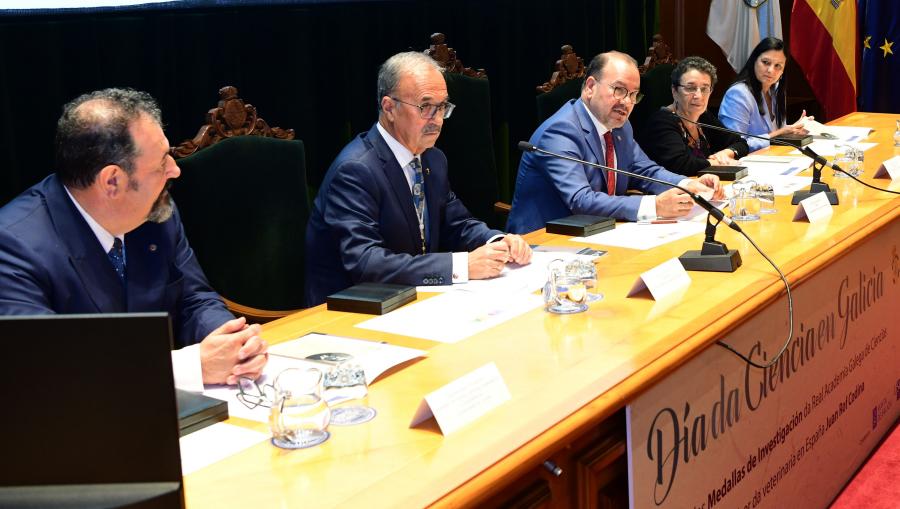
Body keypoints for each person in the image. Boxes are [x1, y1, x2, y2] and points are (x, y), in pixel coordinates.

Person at [0, 88, 267, 388]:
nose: (175, 170)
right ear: (112, 181)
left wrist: (233, 343)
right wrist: (190, 367)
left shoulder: (155, 212)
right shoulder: (13, 246)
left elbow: (194, 299)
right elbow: (47, 369)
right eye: (162, 162)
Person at [305, 52, 532, 307]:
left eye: (443, 107)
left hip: (413, 299)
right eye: (425, 107)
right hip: (350, 312)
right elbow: (366, 262)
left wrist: (498, 241)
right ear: (389, 108)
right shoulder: (355, 170)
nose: (436, 119)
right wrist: (461, 265)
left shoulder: (432, 159)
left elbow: (457, 222)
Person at [506, 51, 725, 234]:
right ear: (590, 87)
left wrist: (686, 185)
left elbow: (645, 170)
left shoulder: (620, 127)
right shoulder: (560, 132)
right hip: (544, 241)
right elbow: (580, 200)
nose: (627, 102)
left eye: (633, 95)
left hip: (599, 232)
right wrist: (655, 205)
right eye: (619, 90)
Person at [637, 56, 750, 176]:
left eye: (704, 89)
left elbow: (740, 143)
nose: (698, 95)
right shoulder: (661, 122)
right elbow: (681, 164)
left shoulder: (703, 117)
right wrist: (716, 162)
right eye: (690, 88)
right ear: (674, 91)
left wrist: (727, 153)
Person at [718, 37, 811, 152]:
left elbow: (779, 132)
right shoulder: (738, 94)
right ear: (754, 61)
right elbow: (734, 145)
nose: (771, 70)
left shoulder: (776, 90)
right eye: (766, 62)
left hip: (773, 157)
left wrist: (794, 128)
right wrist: (779, 133)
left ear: (783, 71)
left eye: (778, 66)